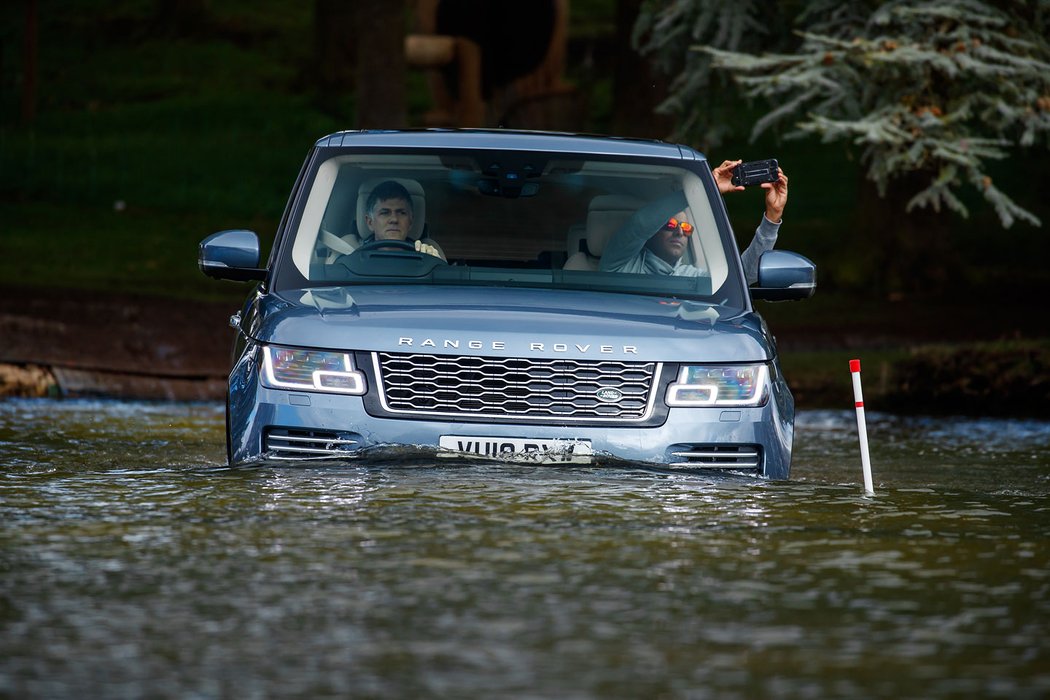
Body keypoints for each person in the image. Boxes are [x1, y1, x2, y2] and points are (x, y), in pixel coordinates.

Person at [599, 160, 788, 284]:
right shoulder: (619, 265)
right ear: (653, 231)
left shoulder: (694, 277)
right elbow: (640, 224)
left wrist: (772, 217)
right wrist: (705, 189)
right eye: (671, 225)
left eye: (687, 228)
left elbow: (745, 275)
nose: (680, 232)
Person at [360, 180, 443, 259]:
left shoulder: (425, 255)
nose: (394, 219)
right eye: (385, 213)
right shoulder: (355, 259)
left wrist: (433, 262)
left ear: (410, 222)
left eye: (401, 213)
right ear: (370, 222)